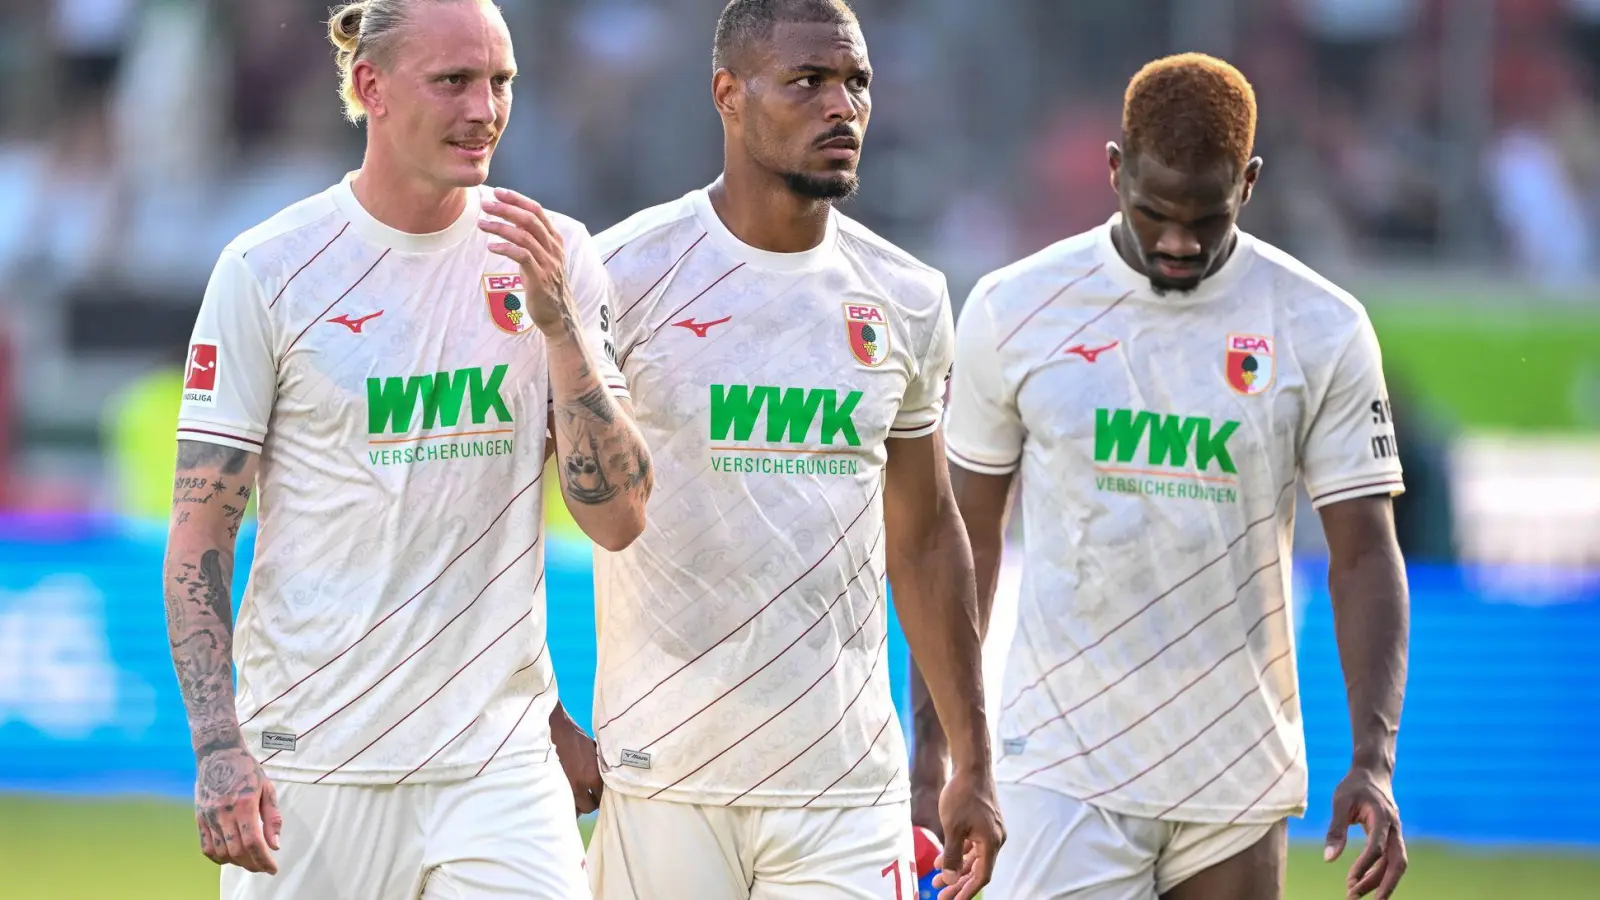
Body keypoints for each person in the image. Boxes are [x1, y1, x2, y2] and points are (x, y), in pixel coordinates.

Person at [162, 1, 652, 897]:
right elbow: (200, 536)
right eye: (454, 80)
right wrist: (220, 746)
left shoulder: (556, 257)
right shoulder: (268, 270)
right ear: (369, 88)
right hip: (312, 764)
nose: (485, 109)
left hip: (497, 767)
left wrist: (561, 333)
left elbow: (619, 517)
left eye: (501, 81)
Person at [924, 53, 1411, 900]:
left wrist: (1374, 760)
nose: (1180, 241)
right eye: (1155, 213)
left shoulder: (1322, 326)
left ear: (1249, 184)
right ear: (1115, 171)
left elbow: (1365, 555)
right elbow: (963, 547)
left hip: (1237, 771)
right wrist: (942, 750)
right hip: (1060, 770)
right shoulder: (1015, 309)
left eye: (1207, 218)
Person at [585, 1, 1004, 898]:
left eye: (857, 83)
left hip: (845, 791)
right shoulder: (623, 273)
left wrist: (972, 757)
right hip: (665, 774)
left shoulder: (909, 296)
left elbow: (927, 537)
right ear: (727, 95)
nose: (842, 107)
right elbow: (515, 501)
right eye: (808, 82)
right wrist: (544, 716)